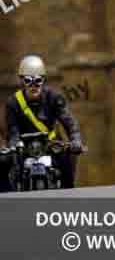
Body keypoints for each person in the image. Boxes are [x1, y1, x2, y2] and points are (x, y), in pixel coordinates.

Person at [0, 55, 83, 192]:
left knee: (68, 157)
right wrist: (14, 145)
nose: (33, 86)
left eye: (37, 81)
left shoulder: (54, 98)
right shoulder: (13, 102)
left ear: (43, 80)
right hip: (24, 147)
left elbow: (69, 122)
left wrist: (75, 140)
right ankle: (7, 200)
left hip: (50, 144)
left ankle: (69, 194)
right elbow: (12, 130)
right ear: (22, 81)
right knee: (3, 163)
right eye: (28, 81)